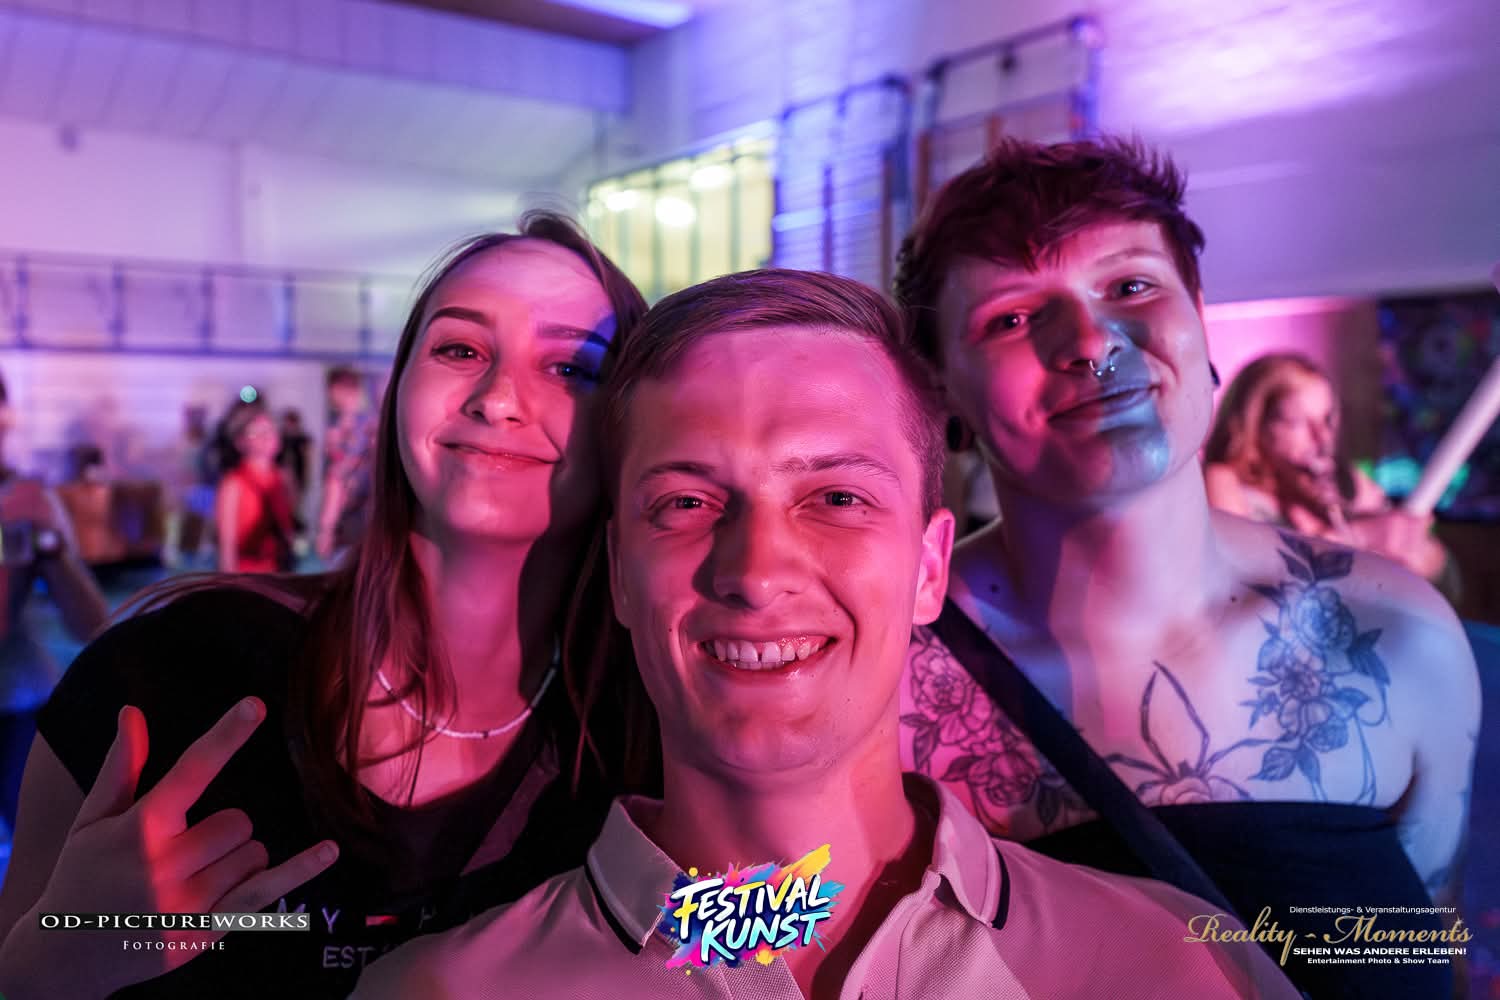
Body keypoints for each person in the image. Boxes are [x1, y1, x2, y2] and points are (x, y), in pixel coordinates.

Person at [352, 269, 1297, 1000]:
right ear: (619, 575)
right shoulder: (434, 993)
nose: (756, 572)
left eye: (837, 498)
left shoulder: (1179, 969)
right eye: (685, 503)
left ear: (929, 566)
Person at [0, 212, 656, 999]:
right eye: (460, 349)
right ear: (399, 390)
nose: (497, 398)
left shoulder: (641, 749)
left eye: (572, 366)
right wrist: (59, 956)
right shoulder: (173, 672)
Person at [891, 137, 1479, 998]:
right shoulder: (885, 677)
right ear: (943, 387)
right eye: (1011, 318)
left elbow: (1422, 946)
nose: (1090, 342)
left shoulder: (1395, 637)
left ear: (1198, 314)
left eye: (1131, 287)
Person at [1204, 352, 1455, 588]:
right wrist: (1360, 536)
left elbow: (1449, 581)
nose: (1321, 437)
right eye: (1298, 423)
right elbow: (1243, 574)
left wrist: (1422, 554)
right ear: (1255, 423)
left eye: (1326, 419)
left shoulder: (1344, 481)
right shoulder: (1224, 480)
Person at [0, 372, 110, 831]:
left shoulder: (28, 498)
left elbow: (93, 624)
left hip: (22, 704)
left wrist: (50, 547)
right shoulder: (15, 506)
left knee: (43, 846)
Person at [214, 401, 298, 574]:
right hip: (247, 576)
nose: (266, 437)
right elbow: (227, 548)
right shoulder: (234, 483)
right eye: (255, 432)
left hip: (280, 574)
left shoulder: (282, 478)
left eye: (270, 430)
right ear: (240, 442)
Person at [315, 367, 375, 564]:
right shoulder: (371, 424)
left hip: (350, 515)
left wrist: (326, 528)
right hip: (370, 513)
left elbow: (336, 479)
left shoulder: (343, 431)